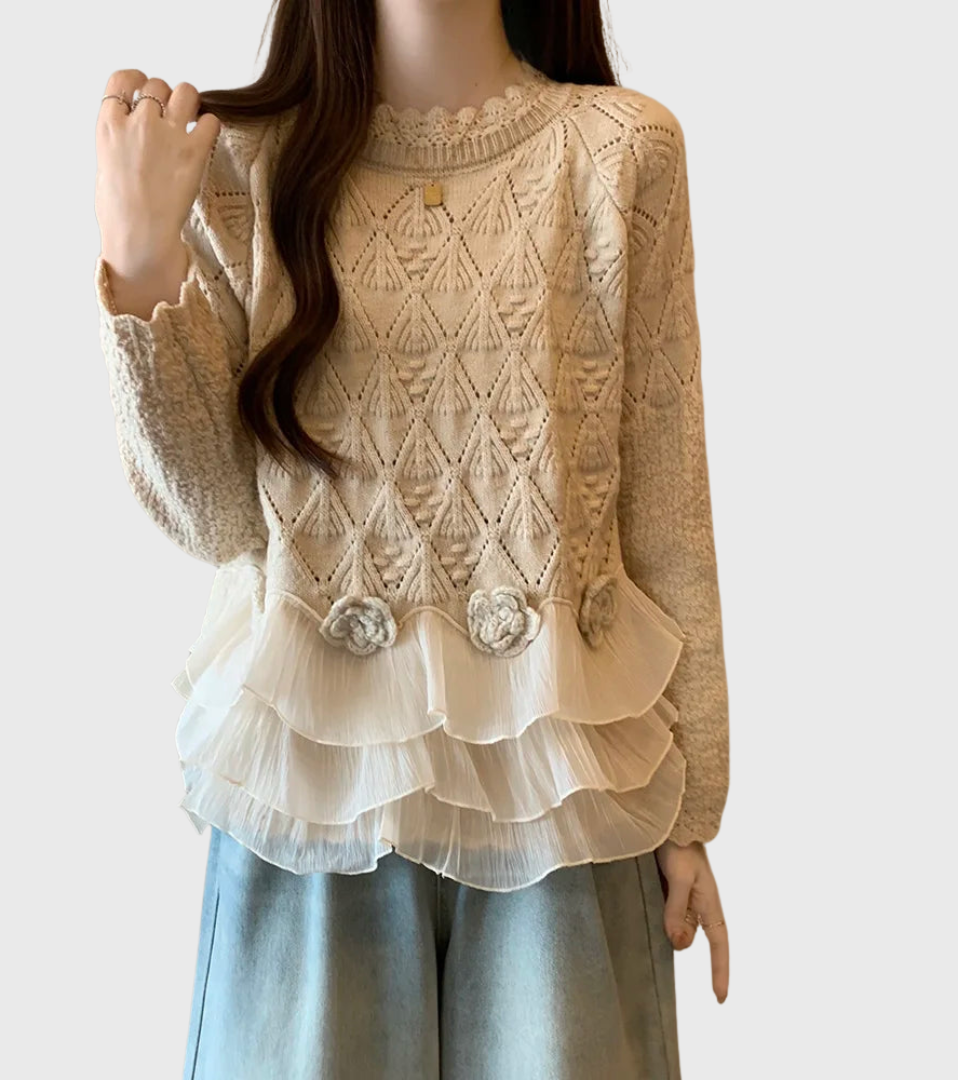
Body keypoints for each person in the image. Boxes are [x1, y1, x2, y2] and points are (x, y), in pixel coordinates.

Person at [93, 2, 731, 1076]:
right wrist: (143, 265)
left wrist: (691, 811)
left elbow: (666, 504)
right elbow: (217, 519)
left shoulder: (620, 153)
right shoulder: (238, 166)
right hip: (314, 782)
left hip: (564, 779)